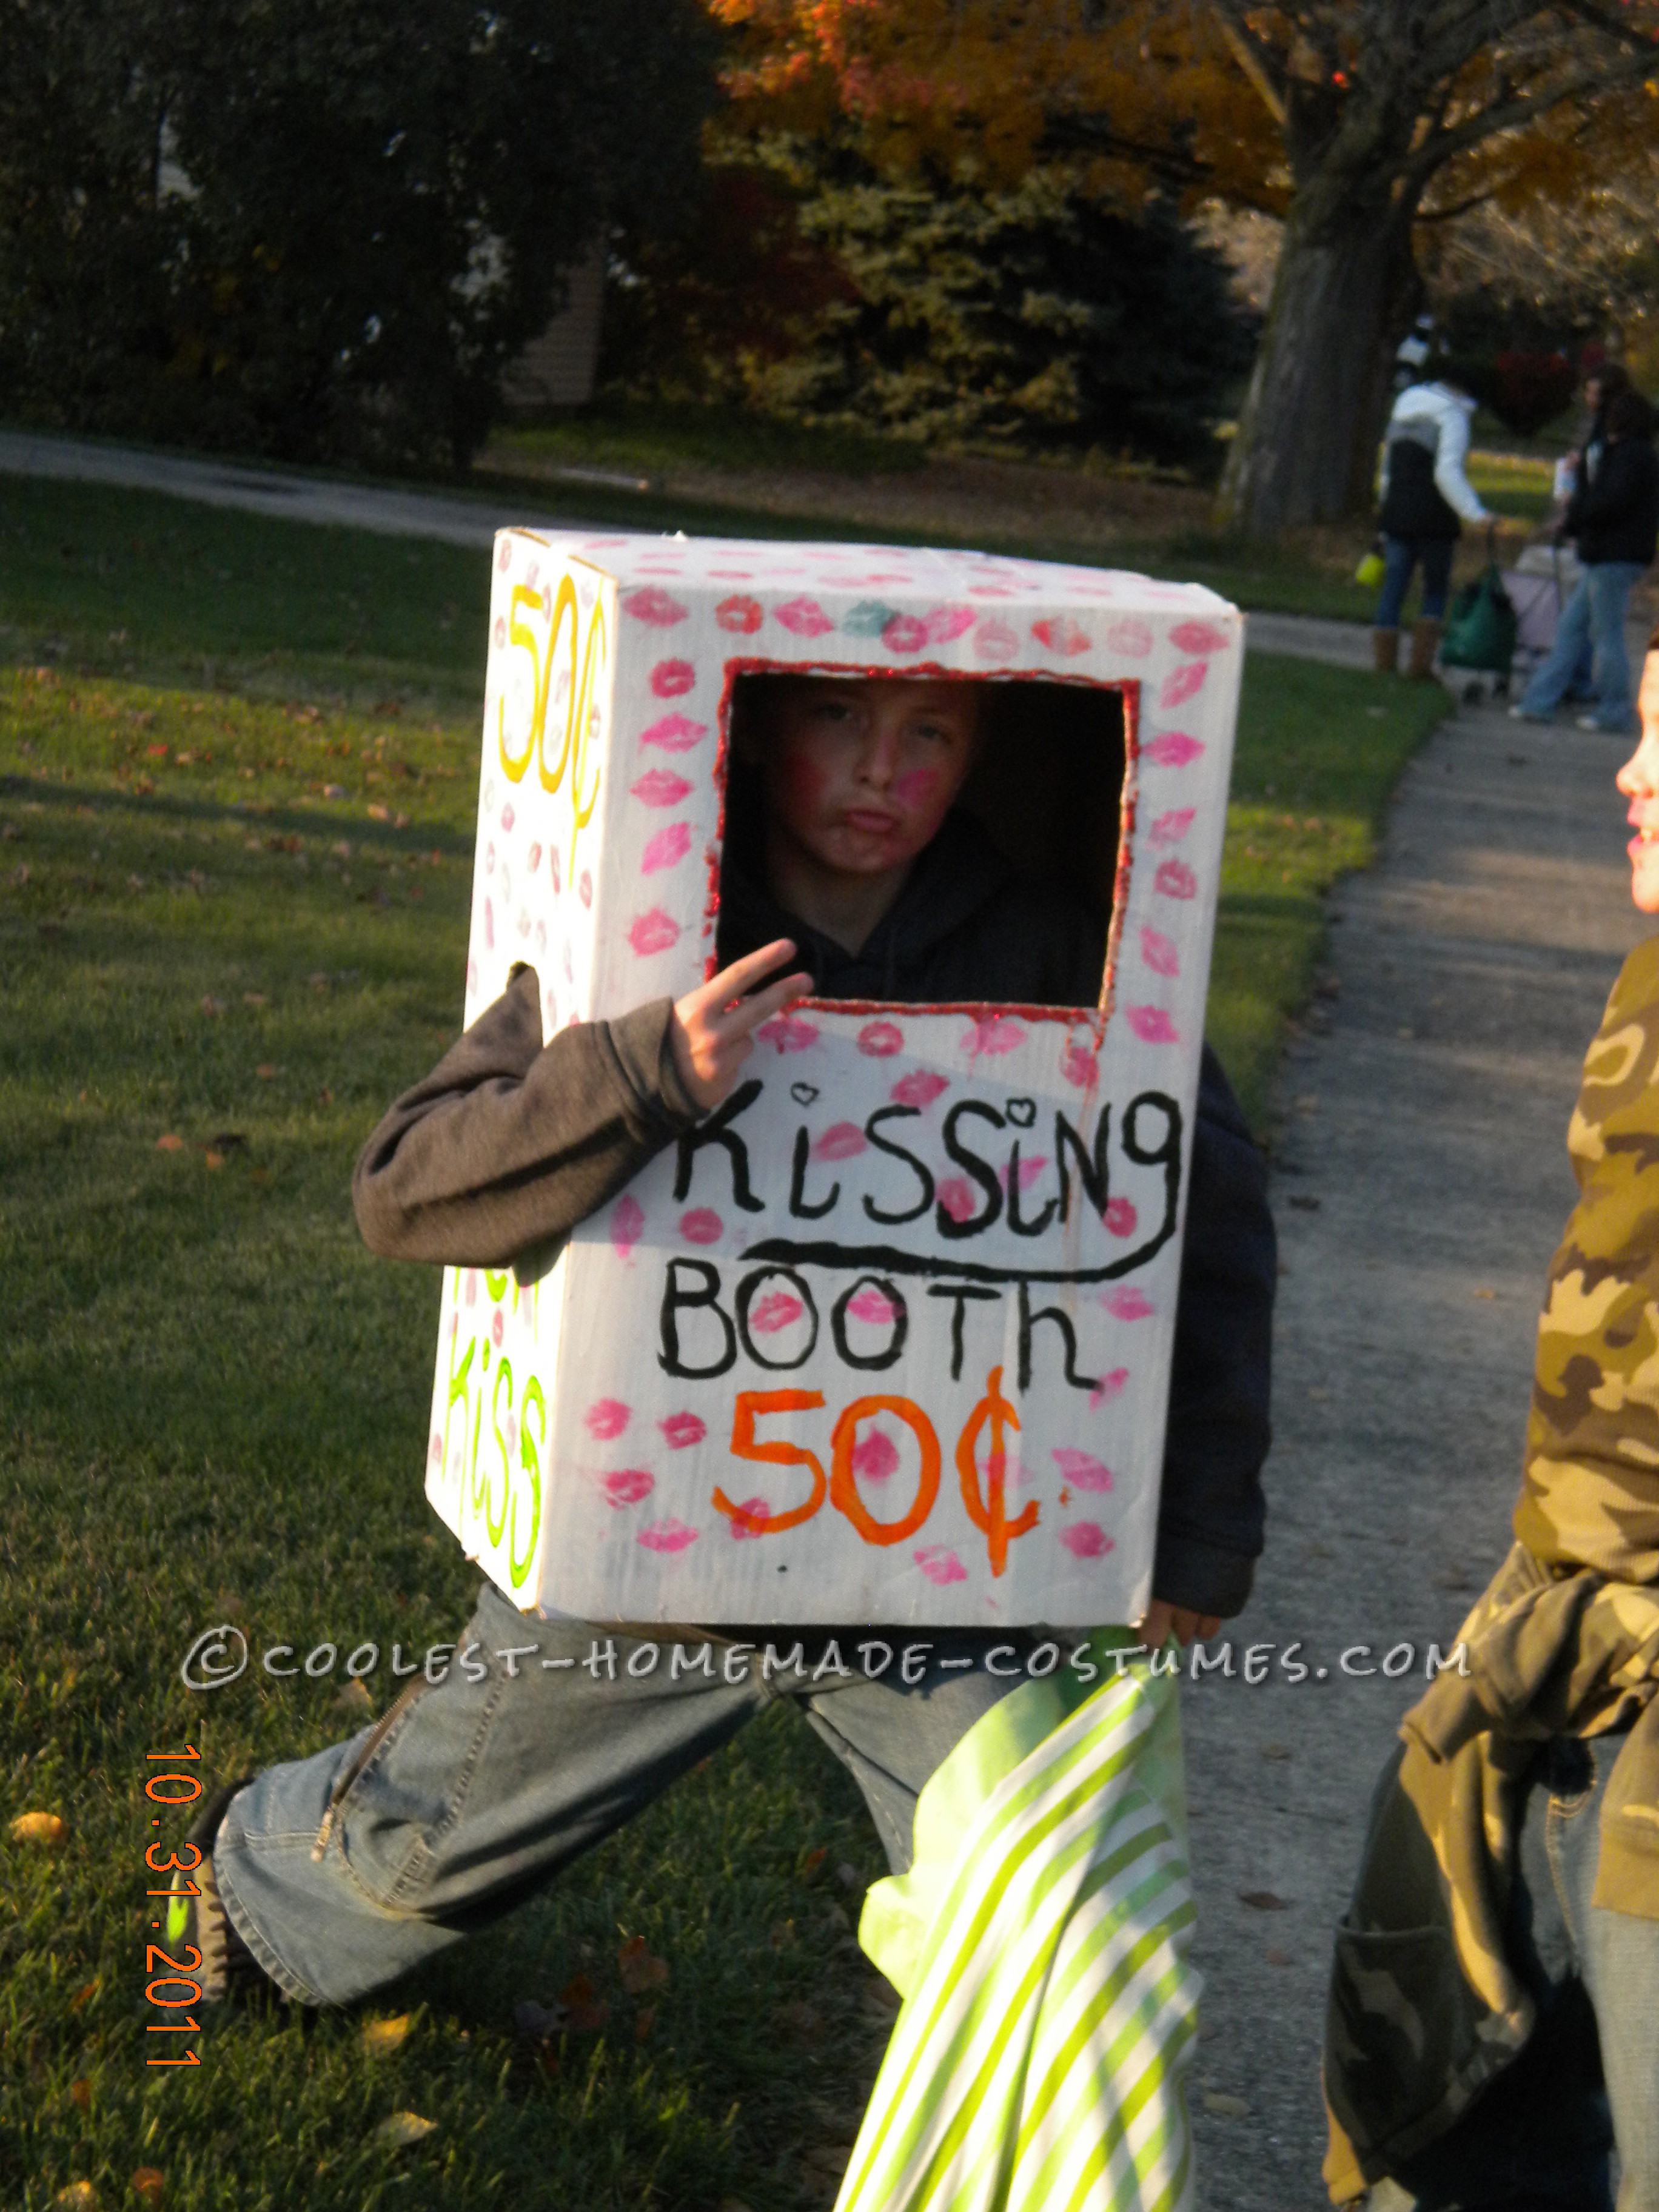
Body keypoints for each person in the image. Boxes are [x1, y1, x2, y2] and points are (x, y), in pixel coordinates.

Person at [172, 674, 1274, 2080]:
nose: (880, 770)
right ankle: (238, 1869)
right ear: (756, 728)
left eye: (927, 734)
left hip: (944, 1565)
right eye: (838, 724)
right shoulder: (644, 940)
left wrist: (1193, 1525)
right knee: (403, 1859)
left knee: (1046, 1927)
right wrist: (639, 1071)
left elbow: (1210, 1230)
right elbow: (403, 1193)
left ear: (979, 754)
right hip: (659, 1563)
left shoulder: (1064, 949)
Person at [1322, 631, 1659, 2212]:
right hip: (1590, 1630)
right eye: (1641, 727)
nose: (1628, 773)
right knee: (1469, 2082)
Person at [1513, 387, 1658, 736]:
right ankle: (1539, 701)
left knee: (1604, 634)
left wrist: (1576, 515)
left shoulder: (1629, 457)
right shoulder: (1634, 456)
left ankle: (1614, 709)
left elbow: (1610, 503)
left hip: (1614, 554)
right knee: (1572, 629)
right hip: (1613, 553)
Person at [1373, 360, 1496, 679]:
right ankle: (1420, 666)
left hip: (1397, 510)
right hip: (1434, 515)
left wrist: (1385, 506)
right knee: (1435, 588)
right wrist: (1475, 513)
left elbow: (1388, 466)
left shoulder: (1404, 405)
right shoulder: (1453, 416)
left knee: (1393, 586)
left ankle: (1384, 665)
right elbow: (1447, 472)